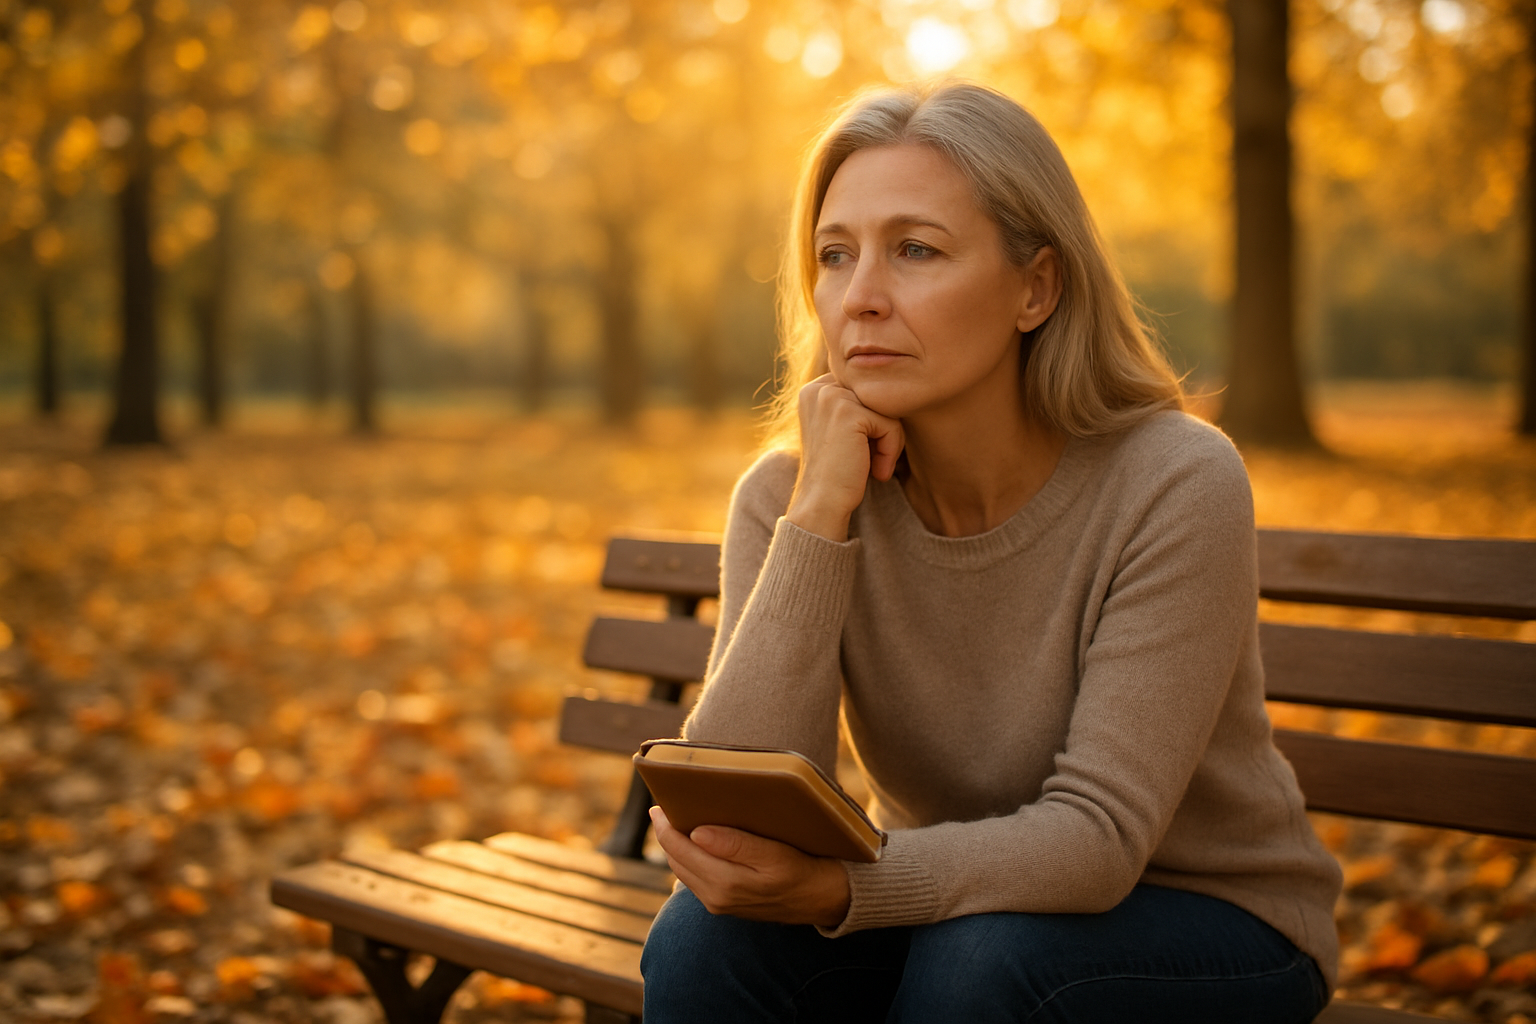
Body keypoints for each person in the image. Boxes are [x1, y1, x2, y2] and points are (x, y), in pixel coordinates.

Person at [640, 82, 1342, 1023]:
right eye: (835, 256)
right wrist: (819, 515)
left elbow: (1097, 840)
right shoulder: (796, 493)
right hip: (950, 904)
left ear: (1036, 288)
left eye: (916, 251)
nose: (862, 299)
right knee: (702, 944)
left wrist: (847, 891)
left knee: (982, 966)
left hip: (1210, 917)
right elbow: (732, 805)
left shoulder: (1175, 480)